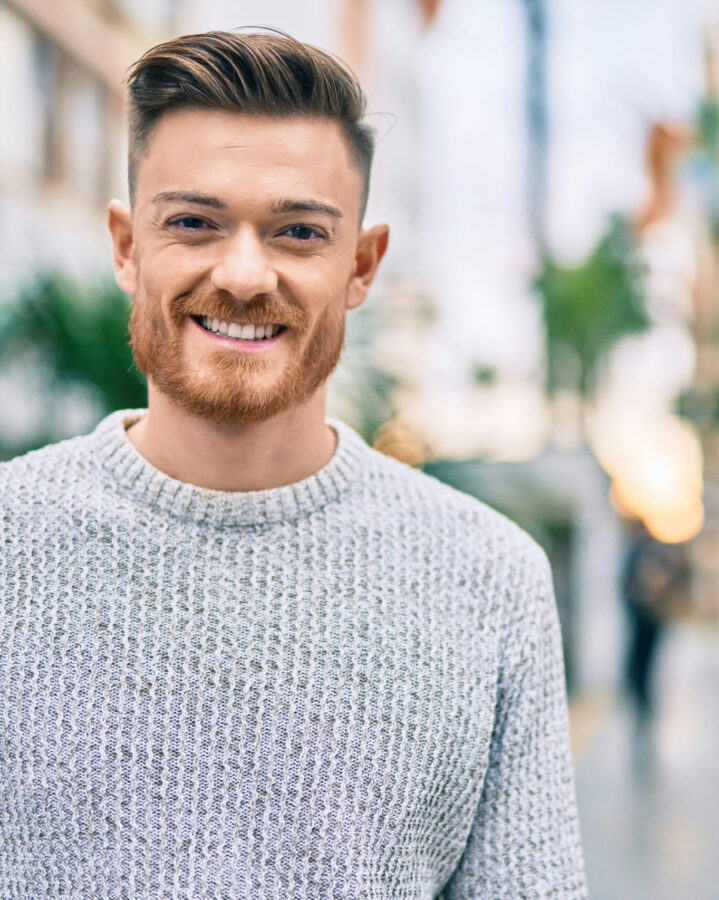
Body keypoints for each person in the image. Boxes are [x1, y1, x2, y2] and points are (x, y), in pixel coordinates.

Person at [0, 30, 587, 898]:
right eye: (193, 223)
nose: (243, 274)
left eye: (298, 232)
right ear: (127, 246)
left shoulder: (489, 580)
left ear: (361, 264)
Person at [620, 517, 691, 772]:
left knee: (641, 665)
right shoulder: (643, 550)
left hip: (647, 620)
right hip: (645, 619)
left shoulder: (647, 551)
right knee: (639, 665)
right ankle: (642, 702)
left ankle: (643, 703)